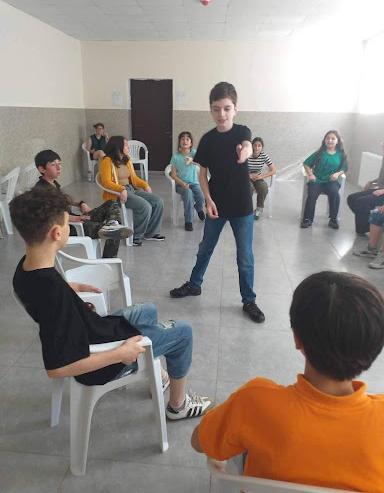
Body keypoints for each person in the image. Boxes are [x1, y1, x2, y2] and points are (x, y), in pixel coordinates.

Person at [10, 187, 214, 421]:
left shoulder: (27, 266)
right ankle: (178, 406)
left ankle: (159, 377)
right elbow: (57, 368)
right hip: (100, 361)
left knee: (148, 309)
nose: (68, 228)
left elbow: (45, 294)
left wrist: (72, 288)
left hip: (94, 330)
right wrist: (119, 354)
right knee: (183, 332)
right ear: (57, 233)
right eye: (67, 223)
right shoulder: (52, 294)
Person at [191, 271, 384, 492]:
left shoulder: (254, 402)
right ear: (374, 348)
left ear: (297, 339)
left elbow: (199, 442)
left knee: (246, 435)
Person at [170, 82, 265, 323]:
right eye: (216, 109)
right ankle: (194, 285)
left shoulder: (242, 131)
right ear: (210, 110)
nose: (221, 114)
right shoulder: (207, 140)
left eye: (226, 108)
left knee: (244, 255)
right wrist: (208, 200)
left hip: (242, 206)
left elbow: (245, 143)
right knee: (205, 248)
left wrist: (244, 152)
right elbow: (202, 174)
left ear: (235, 109)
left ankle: (249, 300)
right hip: (217, 204)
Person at [35, 149, 131, 258]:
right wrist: (70, 218)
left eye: (59, 163)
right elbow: (46, 216)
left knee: (112, 203)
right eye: (53, 165)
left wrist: (81, 203)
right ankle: (108, 262)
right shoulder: (41, 190)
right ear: (42, 169)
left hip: (76, 219)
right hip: (68, 227)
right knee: (114, 232)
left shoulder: (52, 183)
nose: (59, 167)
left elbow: (62, 201)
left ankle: (112, 223)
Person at [99, 136, 165, 247]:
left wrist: (145, 185)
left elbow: (134, 178)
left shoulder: (127, 160)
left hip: (129, 189)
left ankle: (151, 233)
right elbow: (105, 183)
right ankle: (135, 236)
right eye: (125, 145)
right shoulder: (107, 161)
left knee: (158, 201)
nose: (128, 147)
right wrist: (121, 189)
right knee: (145, 206)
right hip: (117, 194)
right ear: (118, 147)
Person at [301, 130, 347, 230]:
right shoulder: (319, 153)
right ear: (324, 140)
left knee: (334, 193)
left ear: (337, 141)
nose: (330, 140)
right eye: (328, 138)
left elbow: (344, 168)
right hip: (317, 181)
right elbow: (306, 163)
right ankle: (308, 219)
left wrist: (337, 173)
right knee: (312, 195)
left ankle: (333, 219)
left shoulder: (341, 155)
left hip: (331, 182)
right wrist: (311, 174)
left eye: (333, 138)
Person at [170, 131, 205, 231]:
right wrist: (182, 183)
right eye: (182, 139)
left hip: (194, 183)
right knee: (188, 194)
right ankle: (188, 221)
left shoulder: (194, 153)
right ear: (179, 142)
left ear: (191, 142)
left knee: (201, 197)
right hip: (181, 185)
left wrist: (192, 161)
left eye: (187, 139)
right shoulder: (176, 156)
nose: (185, 141)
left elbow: (201, 163)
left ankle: (198, 208)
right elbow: (173, 175)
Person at [347, 142, 384, 234]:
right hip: (379, 189)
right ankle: (369, 225)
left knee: (361, 202)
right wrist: (372, 182)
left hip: (382, 192)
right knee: (352, 198)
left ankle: (366, 228)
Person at [247, 137, 276, 220]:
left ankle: (258, 209)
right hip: (246, 177)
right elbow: (238, 169)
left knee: (263, 188)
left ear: (262, 147)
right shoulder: (247, 155)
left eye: (259, 146)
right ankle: (247, 209)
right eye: (255, 145)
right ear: (252, 146)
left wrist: (261, 176)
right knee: (249, 188)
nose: (256, 148)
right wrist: (249, 176)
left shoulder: (264, 156)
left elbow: (273, 170)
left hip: (258, 177)